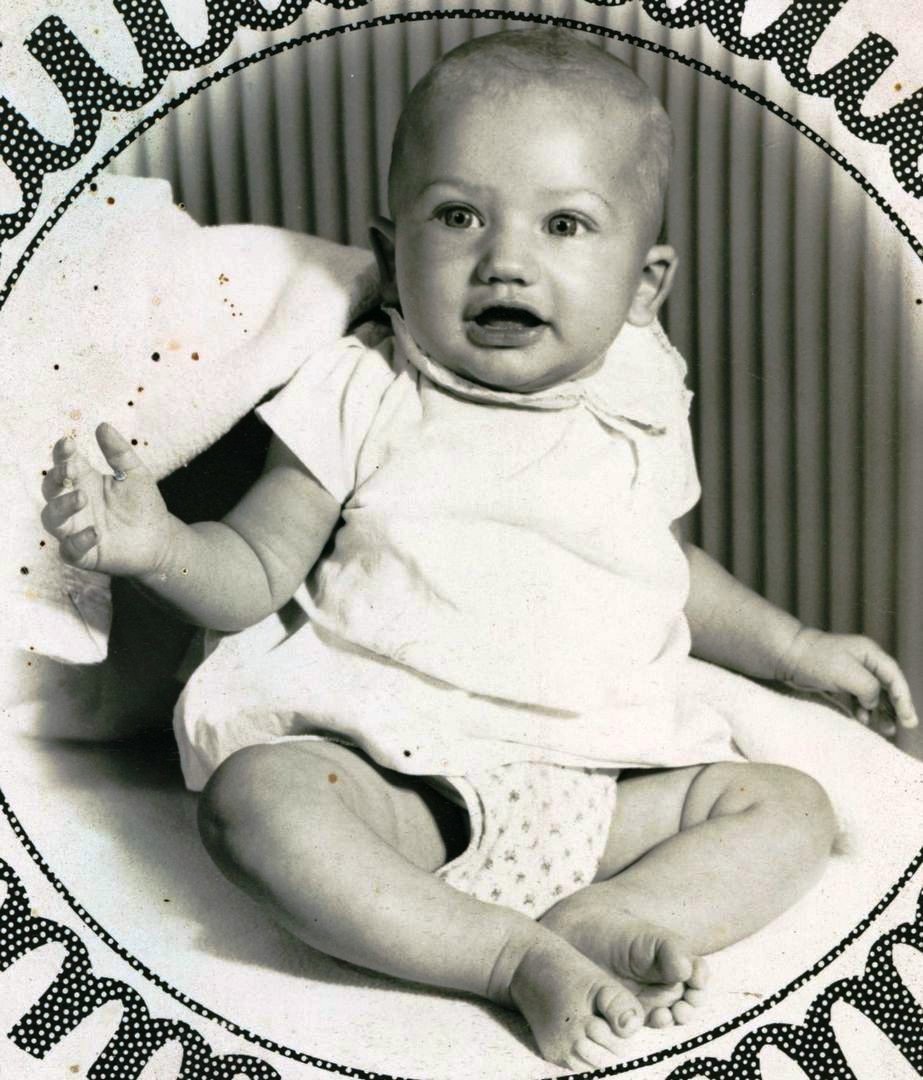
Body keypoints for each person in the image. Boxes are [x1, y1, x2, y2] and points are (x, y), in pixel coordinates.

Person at [40, 28, 918, 1071]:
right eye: (458, 216)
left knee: (789, 808)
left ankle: (610, 916)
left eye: (564, 224)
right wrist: (159, 548)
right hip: (400, 787)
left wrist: (794, 649)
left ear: (644, 284)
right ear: (391, 256)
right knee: (254, 802)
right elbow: (254, 573)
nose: (505, 259)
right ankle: (506, 958)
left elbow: (666, 570)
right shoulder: (360, 389)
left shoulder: (641, 391)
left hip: (609, 788)